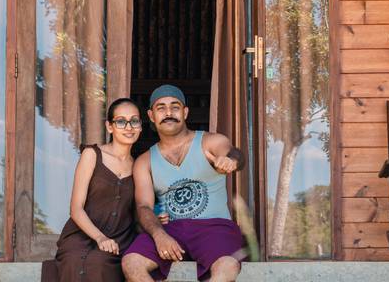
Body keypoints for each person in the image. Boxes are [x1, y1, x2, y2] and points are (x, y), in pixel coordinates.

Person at [122, 85, 243, 282]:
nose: (168, 113)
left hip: (214, 227)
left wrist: (231, 160)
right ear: (151, 116)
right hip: (171, 229)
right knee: (131, 262)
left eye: (175, 107)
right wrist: (159, 235)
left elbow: (232, 152)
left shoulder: (209, 141)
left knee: (228, 266)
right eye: (161, 108)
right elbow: (143, 206)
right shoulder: (144, 161)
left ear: (185, 112)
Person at [41, 98, 144, 282]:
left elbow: (137, 211)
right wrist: (100, 238)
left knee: (100, 263)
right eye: (121, 121)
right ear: (110, 126)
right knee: (75, 262)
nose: (128, 127)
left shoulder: (140, 166)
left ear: (140, 126)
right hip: (81, 236)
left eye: (134, 121)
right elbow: (75, 208)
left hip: (118, 240)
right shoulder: (92, 155)